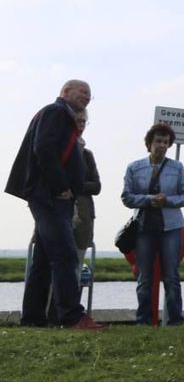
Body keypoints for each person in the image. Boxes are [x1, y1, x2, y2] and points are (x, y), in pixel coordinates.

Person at [5, 80, 104, 330]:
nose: (87, 97)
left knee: (43, 259)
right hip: (49, 197)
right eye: (82, 92)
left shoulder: (60, 116)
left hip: (48, 195)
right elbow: (44, 148)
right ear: (65, 92)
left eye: (90, 95)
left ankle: (33, 318)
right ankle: (72, 317)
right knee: (65, 254)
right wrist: (61, 186)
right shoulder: (55, 112)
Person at [122, 123, 184, 326]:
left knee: (171, 276)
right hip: (144, 228)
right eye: (158, 141)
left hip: (170, 227)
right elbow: (126, 197)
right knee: (144, 278)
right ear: (149, 143)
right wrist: (150, 199)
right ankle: (143, 321)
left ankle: (175, 321)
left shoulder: (177, 167)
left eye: (166, 142)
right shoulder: (134, 167)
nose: (162, 145)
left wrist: (168, 201)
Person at [72, 109, 101, 288]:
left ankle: (72, 312)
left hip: (84, 216)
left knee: (77, 266)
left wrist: (73, 186)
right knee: (53, 266)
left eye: (84, 122)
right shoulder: (55, 148)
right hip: (59, 215)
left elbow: (96, 186)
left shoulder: (87, 154)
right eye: (78, 121)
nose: (81, 125)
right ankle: (48, 313)